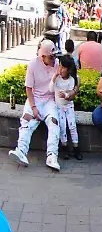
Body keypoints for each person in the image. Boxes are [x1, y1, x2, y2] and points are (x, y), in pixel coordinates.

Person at [8, 41, 63, 171]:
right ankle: (21, 151)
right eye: (51, 56)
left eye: (55, 56)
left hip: (50, 100)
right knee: (27, 121)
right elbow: (28, 88)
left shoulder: (57, 64)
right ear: (42, 56)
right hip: (35, 98)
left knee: (54, 123)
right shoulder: (33, 64)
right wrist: (33, 108)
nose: (54, 59)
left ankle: (52, 155)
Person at [54, 55, 83, 162]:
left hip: (68, 105)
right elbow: (51, 88)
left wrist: (66, 95)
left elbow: (70, 94)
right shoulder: (57, 78)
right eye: (60, 66)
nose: (60, 69)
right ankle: (64, 146)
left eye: (63, 67)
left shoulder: (72, 79)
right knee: (62, 126)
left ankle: (76, 147)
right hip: (59, 106)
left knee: (72, 126)